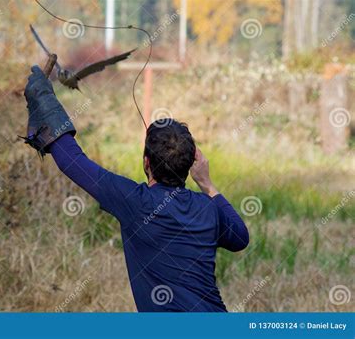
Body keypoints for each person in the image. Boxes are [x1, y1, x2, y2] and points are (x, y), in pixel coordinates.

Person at [23, 66, 249, 312]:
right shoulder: (208, 208)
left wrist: (43, 99)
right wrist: (207, 184)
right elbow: (239, 239)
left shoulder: (135, 202)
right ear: (192, 163)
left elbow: (72, 161)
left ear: (146, 162)